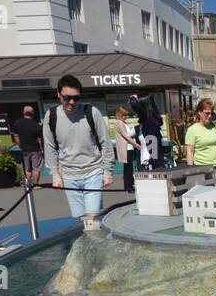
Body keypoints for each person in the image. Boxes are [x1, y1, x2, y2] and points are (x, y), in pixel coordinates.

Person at [44, 76, 113, 231]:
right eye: (67, 98)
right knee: (81, 220)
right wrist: (55, 176)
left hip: (93, 172)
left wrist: (107, 172)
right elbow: (50, 148)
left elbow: (105, 143)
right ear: (59, 95)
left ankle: (96, 252)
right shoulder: (51, 116)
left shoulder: (91, 112)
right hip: (69, 176)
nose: (72, 102)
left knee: (92, 220)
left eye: (76, 98)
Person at [10, 106, 43, 185]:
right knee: (36, 168)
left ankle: (28, 184)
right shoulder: (35, 124)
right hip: (35, 149)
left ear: (23, 112)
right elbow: (40, 139)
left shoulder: (17, 122)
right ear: (33, 113)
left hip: (24, 149)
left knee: (28, 168)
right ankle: (35, 184)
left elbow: (16, 136)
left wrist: (20, 146)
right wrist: (41, 148)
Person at [128, 92, 164, 167]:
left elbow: (134, 105)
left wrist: (133, 98)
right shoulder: (152, 119)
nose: (135, 113)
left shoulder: (147, 119)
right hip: (153, 160)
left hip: (150, 163)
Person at [184, 98, 216, 166]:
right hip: (201, 167)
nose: (209, 116)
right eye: (207, 113)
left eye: (211, 113)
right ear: (199, 112)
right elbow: (190, 152)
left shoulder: (214, 127)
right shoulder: (192, 130)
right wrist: (190, 169)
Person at [113, 105, 142, 193]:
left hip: (129, 147)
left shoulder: (123, 123)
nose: (126, 117)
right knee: (128, 168)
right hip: (126, 148)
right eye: (124, 115)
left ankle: (129, 185)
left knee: (129, 168)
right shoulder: (118, 123)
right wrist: (136, 144)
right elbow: (126, 136)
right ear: (120, 115)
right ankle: (128, 186)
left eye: (126, 115)